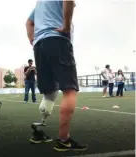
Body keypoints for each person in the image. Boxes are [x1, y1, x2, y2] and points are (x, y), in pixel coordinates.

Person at [26, 0, 87, 151]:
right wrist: (66, 26)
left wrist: (32, 40)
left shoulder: (40, 3)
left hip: (40, 45)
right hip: (57, 39)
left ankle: (39, 131)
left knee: (50, 91)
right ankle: (63, 140)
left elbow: (28, 23)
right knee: (70, 90)